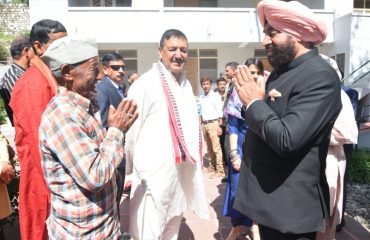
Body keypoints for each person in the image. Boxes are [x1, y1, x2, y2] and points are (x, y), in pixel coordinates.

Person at [232, 1, 342, 239]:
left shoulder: (320, 77)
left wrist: (254, 103)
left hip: (291, 212)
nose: (265, 41)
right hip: (269, 203)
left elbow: (287, 139)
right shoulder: (283, 72)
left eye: (273, 33)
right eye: (265, 34)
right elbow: (267, 122)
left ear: (299, 35)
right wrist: (251, 104)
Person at [39, 36, 138, 239]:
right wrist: (116, 131)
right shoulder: (63, 115)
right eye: (94, 69)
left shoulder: (85, 103)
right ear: (67, 72)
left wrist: (112, 129)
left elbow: (98, 154)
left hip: (103, 228)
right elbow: (95, 176)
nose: (101, 76)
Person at [125, 29, 209, 240]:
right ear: (159, 51)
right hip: (152, 177)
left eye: (183, 50)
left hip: (179, 174)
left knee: (172, 229)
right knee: (147, 232)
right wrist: (129, 171)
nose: (178, 55)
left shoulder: (186, 84)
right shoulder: (144, 84)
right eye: (172, 49)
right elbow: (130, 132)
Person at [9, 19, 67, 240]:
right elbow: (38, 141)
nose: (65, 50)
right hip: (44, 181)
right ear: (39, 47)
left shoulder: (50, 76)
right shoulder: (33, 83)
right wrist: (58, 191)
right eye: (58, 44)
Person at [223, 58, 265, 240]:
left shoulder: (268, 94)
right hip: (240, 147)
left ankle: (255, 227)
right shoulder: (236, 96)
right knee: (237, 190)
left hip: (262, 150)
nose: (253, 76)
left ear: (262, 74)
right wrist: (233, 155)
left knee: (258, 191)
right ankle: (239, 227)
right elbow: (232, 127)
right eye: (250, 72)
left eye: (256, 72)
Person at [316, 55, 358, 240]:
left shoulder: (340, 95)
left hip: (328, 160)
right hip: (306, 164)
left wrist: (309, 135)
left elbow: (347, 134)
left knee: (325, 216)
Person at [96, 52, 127, 210]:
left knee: (118, 194)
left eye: (123, 67)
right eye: (116, 67)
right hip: (111, 150)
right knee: (113, 199)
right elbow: (102, 123)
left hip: (120, 147)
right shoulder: (102, 89)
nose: (121, 71)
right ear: (105, 69)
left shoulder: (119, 88)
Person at [0, 35, 34, 125]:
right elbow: (26, 112)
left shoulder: (23, 74)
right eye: (33, 50)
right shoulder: (14, 77)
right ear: (26, 51)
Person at [199, 75, 225, 179]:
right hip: (205, 124)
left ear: (210, 85)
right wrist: (200, 124)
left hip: (214, 124)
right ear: (201, 85)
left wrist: (219, 126)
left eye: (207, 84)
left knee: (216, 148)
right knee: (209, 148)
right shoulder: (201, 97)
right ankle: (212, 167)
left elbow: (220, 111)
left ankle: (220, 170)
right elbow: (201, 111)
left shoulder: (215, 96)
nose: (205, 86)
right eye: (204, 84)